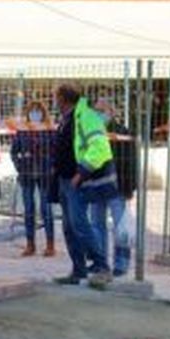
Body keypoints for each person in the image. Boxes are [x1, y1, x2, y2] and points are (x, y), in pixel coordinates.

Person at [52, 83, 116, 290]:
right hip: (64, 179)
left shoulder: (86, 117)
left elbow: (100, 148)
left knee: (80, 225)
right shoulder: (67, 118)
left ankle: (101, 266)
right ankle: (78, 270)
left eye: (56, 97)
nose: (54, 101)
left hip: (76, 180)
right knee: (69, 227)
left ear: (62, 98)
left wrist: (81, 173)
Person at [96, 99, 138, 278]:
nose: (99, 114)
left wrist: (129, 188)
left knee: (120, 227)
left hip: (117, 186)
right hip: (95, 187)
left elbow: (131, 162)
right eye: (96, 111)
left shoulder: (123, 133)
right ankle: (100, 262)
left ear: (111, 112)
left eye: (102, 110)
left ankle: (121, 264)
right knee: (97, 226)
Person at [10, 103, 55, 257]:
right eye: (32, 111)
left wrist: (52, 166)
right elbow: (14, 151)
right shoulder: (22, 131)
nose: (35, 114)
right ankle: (30, 244)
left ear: (43, 113)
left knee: (46, 209)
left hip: (45, 173)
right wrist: (19, 166)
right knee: (29, 210)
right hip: (27, 174)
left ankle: (50, 244)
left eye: (38, 111)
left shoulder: (49, 129)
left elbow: (55, 149)